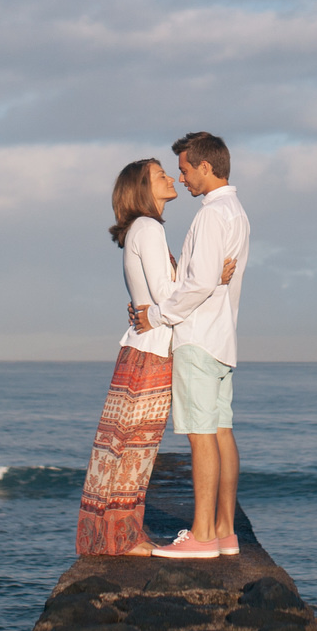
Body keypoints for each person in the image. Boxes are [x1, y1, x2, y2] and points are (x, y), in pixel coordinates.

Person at [75, 155, 241, 556]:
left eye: (171, 172)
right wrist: (210, 277)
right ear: (141, 189)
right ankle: (120, 538)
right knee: (133, 446)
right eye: (160, 175)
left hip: (147, 345)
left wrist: (199, 278)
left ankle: (117, 535)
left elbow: (159, 295)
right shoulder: (147, 227)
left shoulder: (146, 229)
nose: (171, 177)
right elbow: (166, 296)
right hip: (151, 350)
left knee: (129, 445)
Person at [142, 131, 248, 560]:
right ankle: (223, 531)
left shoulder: (210, 216)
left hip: (199, 337)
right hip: (222, 337)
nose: (182, 179)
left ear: (206, 166)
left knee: (202, 437)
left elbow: (200, 282)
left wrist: (158, 314)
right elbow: (213, 279)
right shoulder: (236, 212)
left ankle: (203, 536)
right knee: (222, 432)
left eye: (185, 170)